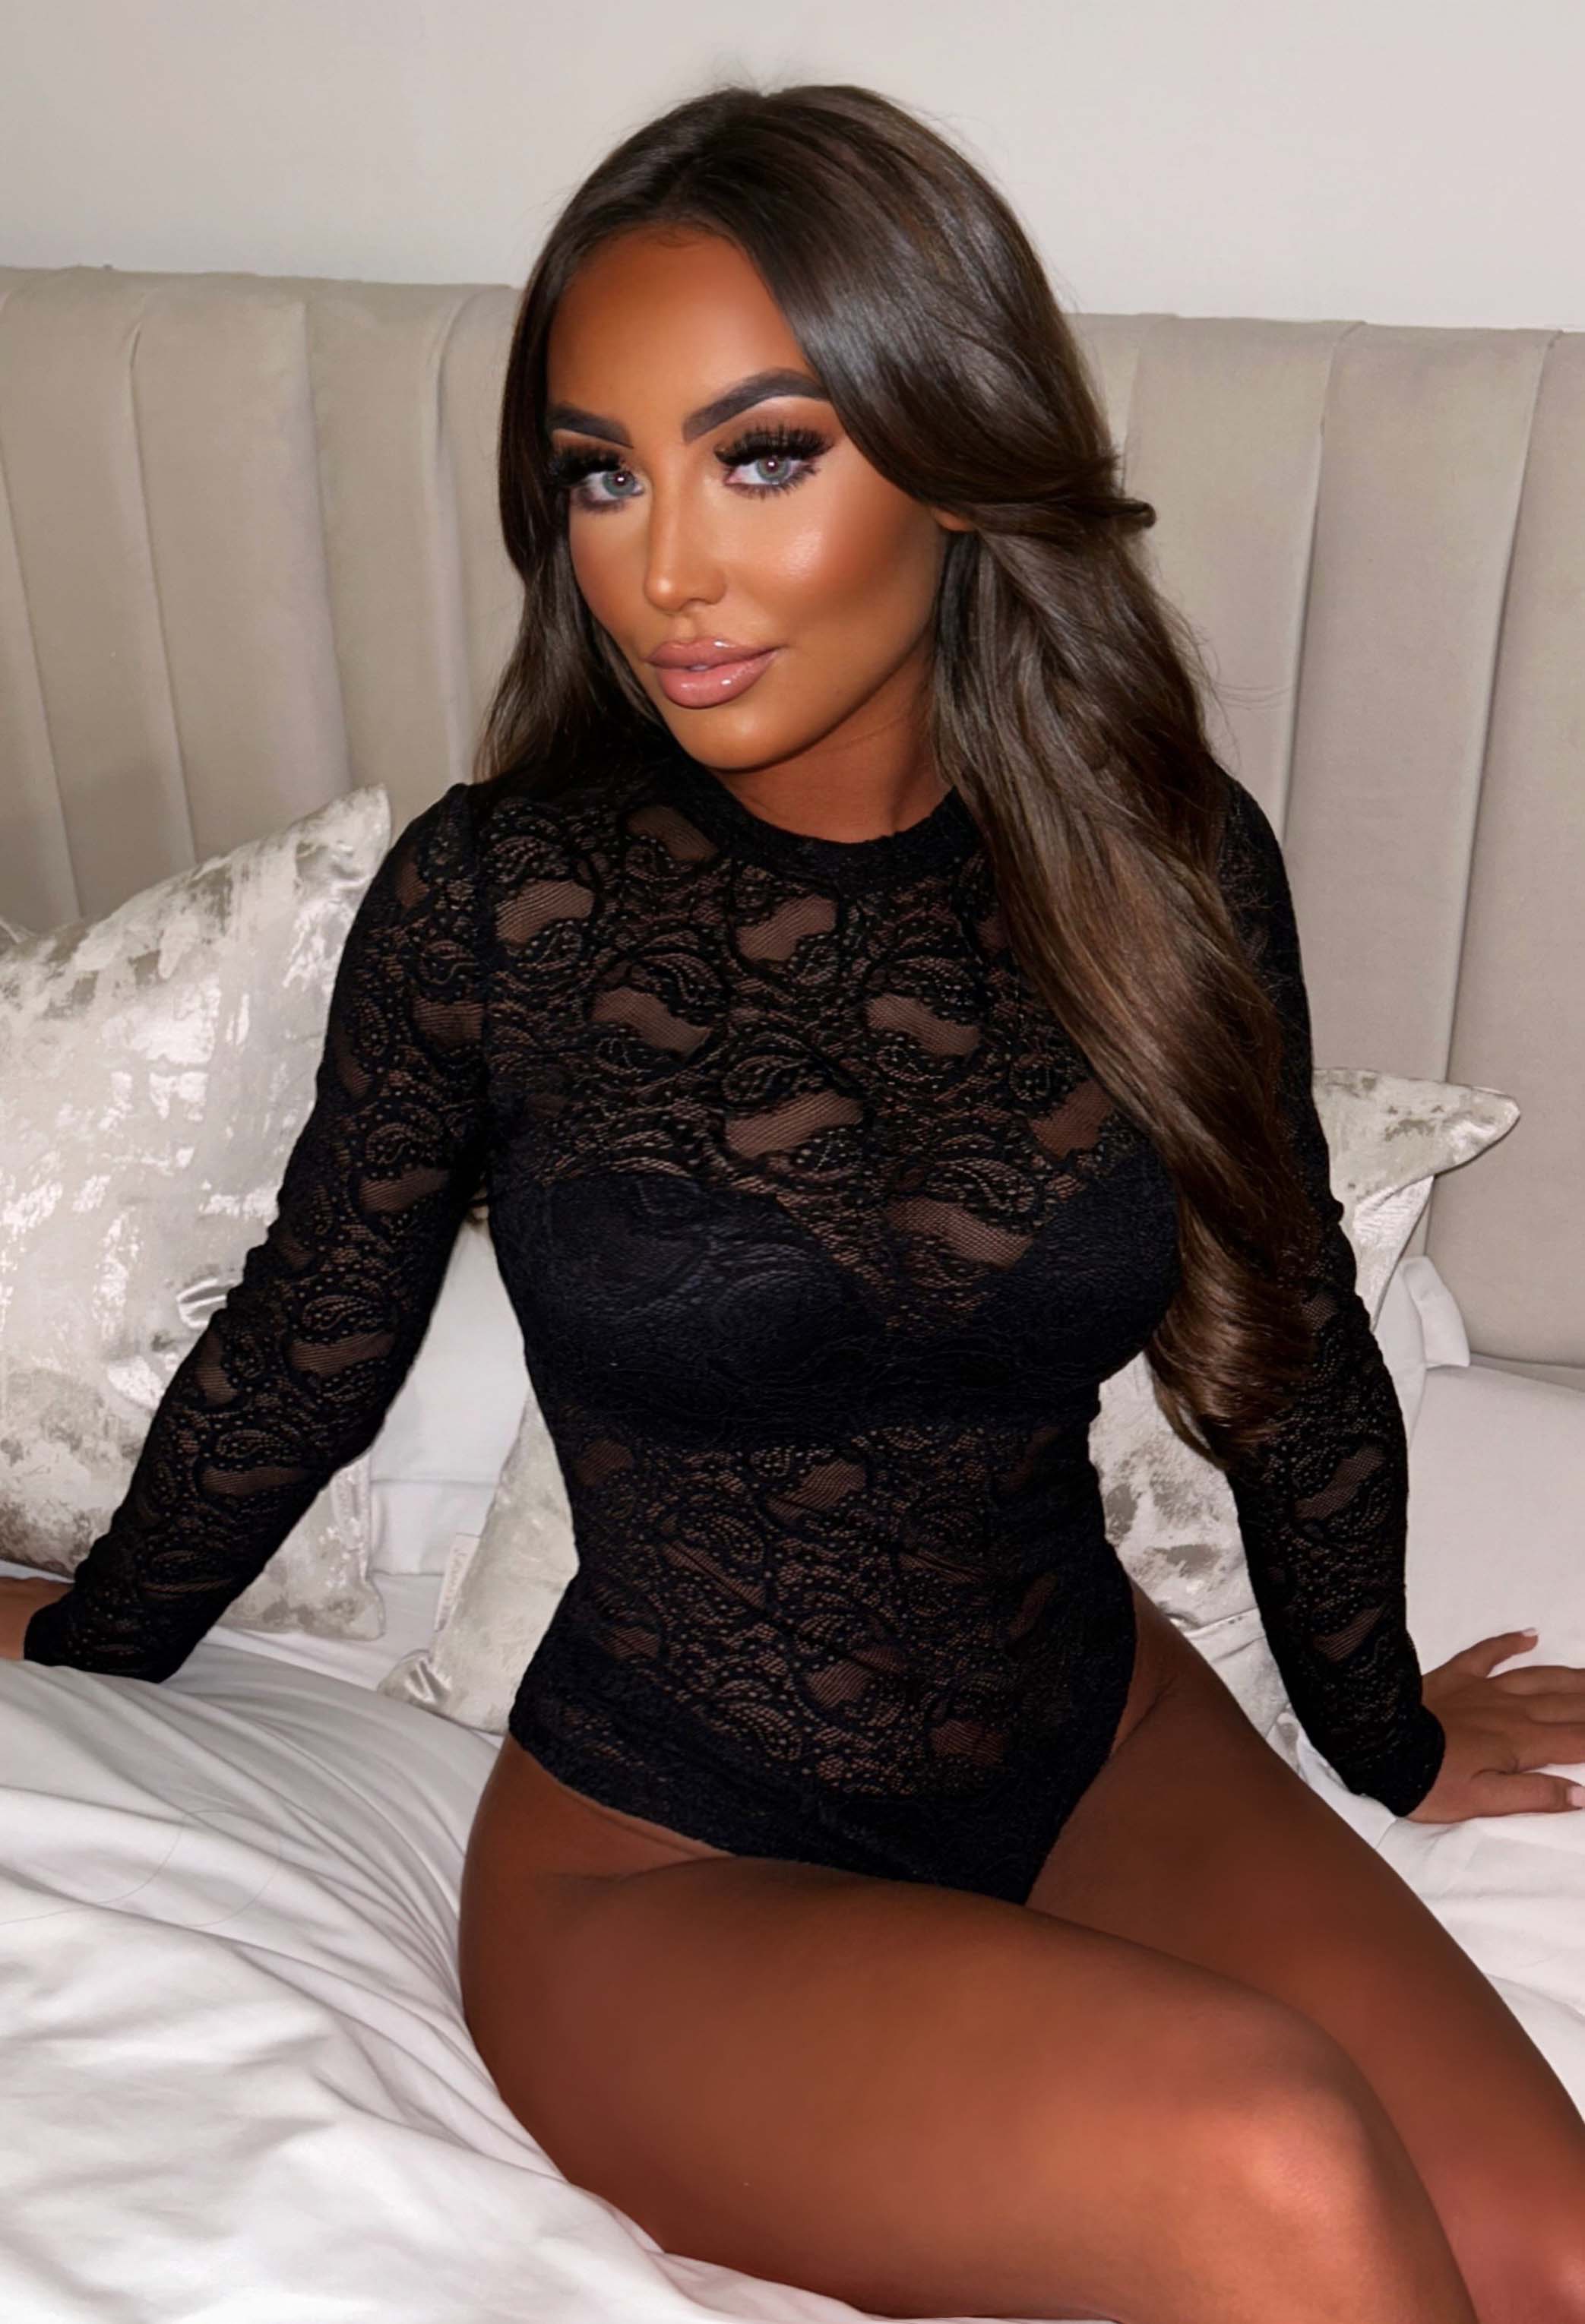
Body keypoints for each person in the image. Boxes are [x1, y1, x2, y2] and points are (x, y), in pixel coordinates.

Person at [6, 77, 1585, 2324]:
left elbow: (1293, 1339)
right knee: (1276, 2163)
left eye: (761, 456)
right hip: (666, 1863)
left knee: (1560, 2253)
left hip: (1093, 1738)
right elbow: (308, 1346)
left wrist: (1388, 1736)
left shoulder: (1162, 866)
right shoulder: (501, 903)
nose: (664, 567)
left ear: (953, 460)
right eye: (601, 474)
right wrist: (79, 1639)